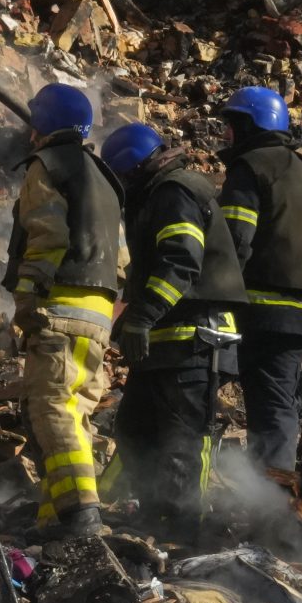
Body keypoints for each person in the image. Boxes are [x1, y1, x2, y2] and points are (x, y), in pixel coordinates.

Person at [97, 122, 246, 541]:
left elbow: (181, 262)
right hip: (166, 342)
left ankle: (185, 530)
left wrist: (143, 316)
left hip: (197, 338)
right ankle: (153, 516)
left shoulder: (175, 190)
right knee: (135, 431)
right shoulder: (154, 194)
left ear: (132, 168)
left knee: (182, 441)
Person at [3, 83, 125, 538]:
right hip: (98, 311)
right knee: (76, 413)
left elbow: (47, 234)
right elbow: (122, 259)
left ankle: (81, 515)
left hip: (61, 304)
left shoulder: (46, 165)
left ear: (42, 125)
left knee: (53, 408)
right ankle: (54, 518)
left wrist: (28, 298)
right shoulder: (104, 176)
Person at [216, 86, 302, 487]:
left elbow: (234, 242)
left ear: (252, 125)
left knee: (195, 396)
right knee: (279, 412)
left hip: (252, 313)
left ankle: (189, 499)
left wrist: (212, 296)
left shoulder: (251, 167)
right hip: (297, 319)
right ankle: (272, 506)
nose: (228, 136)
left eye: (233, 126)